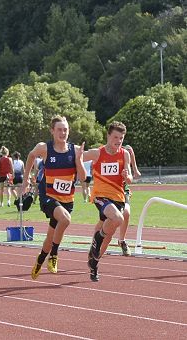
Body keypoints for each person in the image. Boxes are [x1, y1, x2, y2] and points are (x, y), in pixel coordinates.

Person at [22, 116, 85, 280]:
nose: (63, 133)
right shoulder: (45, 148)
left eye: (65, 129)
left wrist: (79, 160)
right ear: (52, 131)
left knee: (50, 238)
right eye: (59, 129)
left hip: (67, 199)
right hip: (48, 196)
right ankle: (54, 256)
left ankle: (40, 259)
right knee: (65, 220)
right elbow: (30, 156)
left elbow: (84, 177)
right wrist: (26, 180)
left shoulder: (76, 150)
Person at [84, 121, 133, 282]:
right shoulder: (97, 153)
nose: (118, 141)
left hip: (117, 197)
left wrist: (127, 177)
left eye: (121, 138)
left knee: (109, 235)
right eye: (115, 137)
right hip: (100, 196)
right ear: (108, 136)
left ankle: (94, 263)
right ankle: (97, 239)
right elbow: (76, 157)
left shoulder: (124, 154)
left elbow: (131, 178)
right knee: (118, 218)